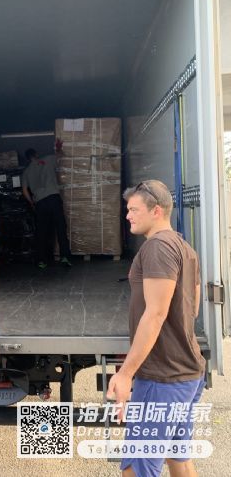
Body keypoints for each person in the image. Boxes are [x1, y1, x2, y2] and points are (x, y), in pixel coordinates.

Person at [107, 180, 206, 477]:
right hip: (186, 373)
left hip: (163, 378)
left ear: (157, 211)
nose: (128, 216)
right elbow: (193, 308)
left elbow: (156, 313)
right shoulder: (184, 247)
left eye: (134, 210)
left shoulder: (158, 247)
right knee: (179, 458)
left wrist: (125, 373)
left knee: (137, 468)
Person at [22, 144, 71, 269]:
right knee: (60, 228)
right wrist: (59, 148)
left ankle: (41, 261)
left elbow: (25, 191)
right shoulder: (48, 159)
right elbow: (60, 156)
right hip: (54, 198)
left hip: (40, 203)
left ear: (27, 159)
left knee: (41, 232)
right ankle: (65, 257)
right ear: (36, 154)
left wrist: (32, 202)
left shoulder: (26, 172)